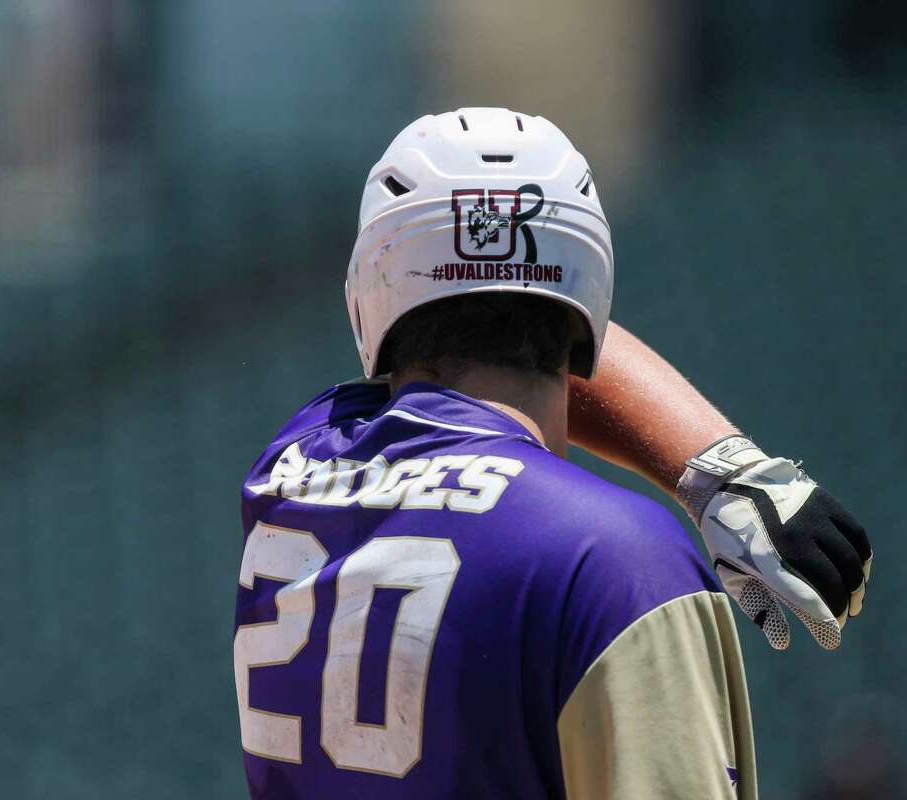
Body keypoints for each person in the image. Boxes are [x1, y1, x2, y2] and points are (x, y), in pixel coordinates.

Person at [233, 108, 871, 798]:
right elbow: (531, 313)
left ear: (366, 293)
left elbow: (464, 299)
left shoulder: (295, 466)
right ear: (590, 291)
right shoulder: (621, 559)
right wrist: (725, 473)